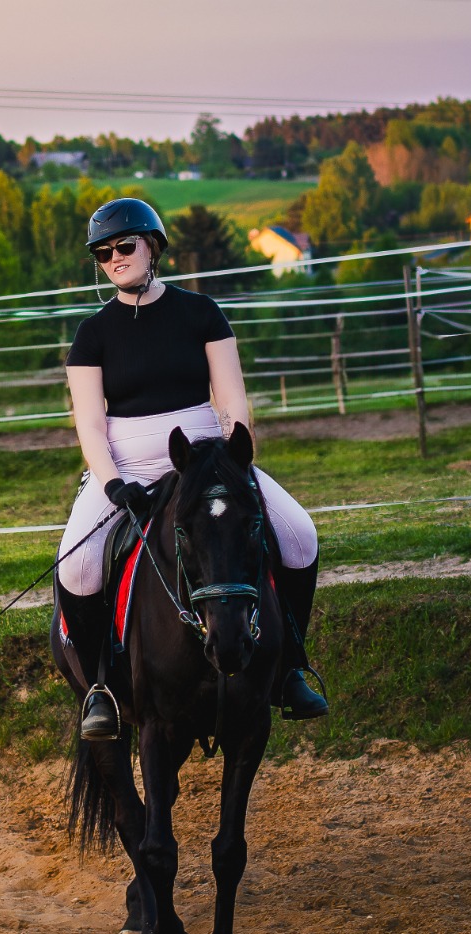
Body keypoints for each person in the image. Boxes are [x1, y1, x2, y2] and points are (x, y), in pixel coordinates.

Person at [57, 196, 329, 742]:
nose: (115, 258)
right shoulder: (92, 334)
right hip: (125, 464)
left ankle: (290, 668)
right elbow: (89, 424)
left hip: (206, 458)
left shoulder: (202, 313)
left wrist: (230, 459)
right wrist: (113, 484)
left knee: (300, 535)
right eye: (103, 253)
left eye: (124, 246)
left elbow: (232, 402)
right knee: (77, 568)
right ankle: (101, 690)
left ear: (152, 247)